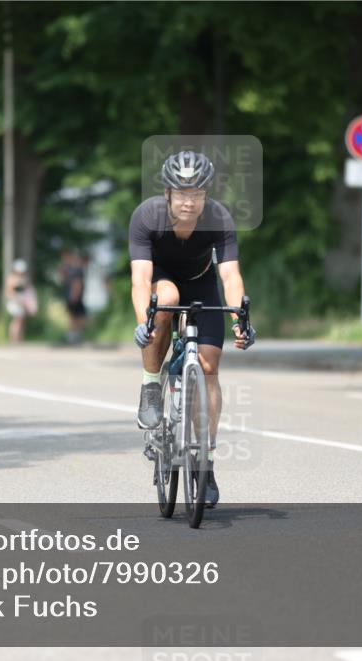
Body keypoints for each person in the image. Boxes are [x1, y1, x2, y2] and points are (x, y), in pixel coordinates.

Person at [129, 150, 256, 509]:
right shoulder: (146, 217)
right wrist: (144, 323)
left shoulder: (218, 218)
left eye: (197, 194)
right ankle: (152, 385)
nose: (190, 201)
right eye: (182, 194)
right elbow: (140, 279)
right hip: (163, 281)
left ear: (206, 195)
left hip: (202, 284)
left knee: (211, 367)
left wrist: (239, 321)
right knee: (165, 297)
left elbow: (230, 275)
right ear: (167, 193)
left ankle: (206, 465)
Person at [4, 258, 38, 343]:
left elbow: (28, 292)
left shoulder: (25, 278)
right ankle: (14, 339)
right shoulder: (12, 279)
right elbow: (9, 292)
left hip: (23, 302)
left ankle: (19, 338)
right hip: (15, 302)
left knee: (22, 320)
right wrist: (17, 299)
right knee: (17, 319)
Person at [60, 250, 87, 344]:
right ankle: (74, 335)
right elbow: (61, 277)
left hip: (74, 297)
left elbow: (78, 284)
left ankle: (75, 336)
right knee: (73, 316)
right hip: (71, 296)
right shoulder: (69, 269)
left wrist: (74, 296)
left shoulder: (77, 269)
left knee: (76, 317)